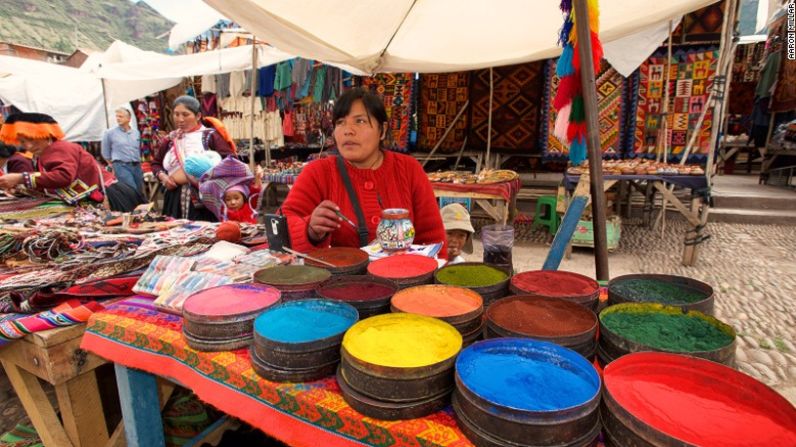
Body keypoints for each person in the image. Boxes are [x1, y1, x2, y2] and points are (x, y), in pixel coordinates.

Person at [282, 88, 447, 255]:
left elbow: (433, 239)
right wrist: (310, 230)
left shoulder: (409, 169)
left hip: (404, 278)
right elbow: (281, 224)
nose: (348, 130)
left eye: (359, 121)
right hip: (341, 279)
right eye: (340, 122)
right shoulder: (318, 172)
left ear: (382, 130)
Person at [0, 113, 145, 211]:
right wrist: (20, 188)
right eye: (24, 142)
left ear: (45, 135)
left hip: (111, 197)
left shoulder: (60, 148)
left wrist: (20, 177)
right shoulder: (44, 154)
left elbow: (63, 177)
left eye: (32, 139)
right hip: (97, 197)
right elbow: (50, 184)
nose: (29, 146)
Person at [151, 96, 235, 221]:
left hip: (203, 200)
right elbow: (156, 164)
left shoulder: (209, 136)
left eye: (185, 114)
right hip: (173, 198)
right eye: (176, 114)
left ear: (198, 116)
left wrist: (208, 173)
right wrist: (163, 177)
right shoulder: (171, 139)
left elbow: (231, 161)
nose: (180, 119)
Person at [101, 107, 144, 193]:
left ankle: (138, 206)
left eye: (121, 116)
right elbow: (105, 152)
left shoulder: (136, 133)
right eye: (117, 116)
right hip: (121, 166)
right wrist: (112, 164)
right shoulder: (109, 133)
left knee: (139, 190)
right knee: (131, 189)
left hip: (136, 166)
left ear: (128, 118)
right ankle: (133, 206)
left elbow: (138, 148)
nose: (118, 118)